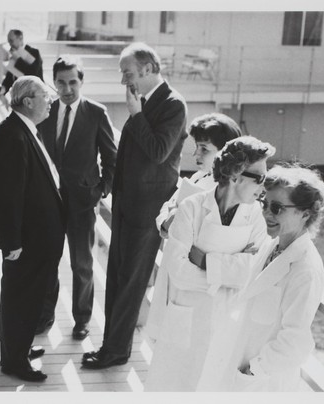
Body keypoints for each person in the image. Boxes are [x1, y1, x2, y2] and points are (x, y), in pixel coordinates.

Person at [81, 42, 188, 369]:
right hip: (127, 205)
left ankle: (114, 351)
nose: (123, 80)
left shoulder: (173, 105)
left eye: (127, 73)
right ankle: (112, 346)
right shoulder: (141, 101)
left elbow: (158, 151)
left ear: (147, 69)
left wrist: (137, 115)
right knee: (116, 277)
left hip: (148, 211)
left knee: (130, 282)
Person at [145, 136, 275, 391]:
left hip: (227, 320)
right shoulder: (192, 207)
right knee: (173, 385)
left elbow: (250, 272)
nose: (263, 188)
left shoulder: (256, 217)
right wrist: (228, 275)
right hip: (186, 317)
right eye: (260, 178)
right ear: (236, 174)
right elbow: (178, 271)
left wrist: (205, 261)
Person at [197, 163, 324, 391]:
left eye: (277, 208)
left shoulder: (305, 268)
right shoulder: (272, 245)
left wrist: (254, 369)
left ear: (305, 213)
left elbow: (295, 342)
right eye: (264, 204)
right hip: (237, 364)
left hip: (263, 382)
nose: (266, 213)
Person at [0, 76, 65, 382]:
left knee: (25, 295)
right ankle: (14, 361)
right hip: (26, 240)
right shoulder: (13, 135)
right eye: (46, 96)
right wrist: (11, 241)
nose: (51, 101)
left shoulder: (24, 130)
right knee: (20, 295)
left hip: (36, 237)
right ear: (28, 101)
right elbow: (6, 194)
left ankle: (16, 349)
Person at [36, 55, 117, 339]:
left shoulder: (96, 112)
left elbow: (111, 158)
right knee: (47, 260)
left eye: (72, 82)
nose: (67, 88)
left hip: (82, 201)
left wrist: (99, 191)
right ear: (53, 82)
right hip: (47, 201)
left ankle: (82, 318)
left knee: (82, 263)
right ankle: (44, 316)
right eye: (61, 82)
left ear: (81, 81)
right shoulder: (43, 110)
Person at [146, 113, 242, 340]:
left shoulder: (226, 192)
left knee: (189, 336)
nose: (196, 154)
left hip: (195, 276)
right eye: (196, 147)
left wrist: (176, 220)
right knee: (168, 329)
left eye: (204, 149)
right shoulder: (197, 178)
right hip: (174, 264)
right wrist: (167, 220)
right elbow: (166, 208)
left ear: (224, 153)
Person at [1, 29, 44, 94]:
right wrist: (2, 90)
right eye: (8, 41)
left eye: (11, 41)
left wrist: (18, 59)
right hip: (19, 94)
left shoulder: (34, 52)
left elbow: (33, 73)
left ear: (20, 38)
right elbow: (10, 77)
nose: (9, 44)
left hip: (35, 93)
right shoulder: (13, 54)